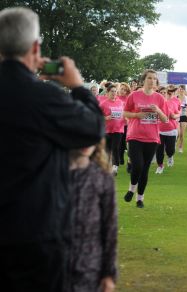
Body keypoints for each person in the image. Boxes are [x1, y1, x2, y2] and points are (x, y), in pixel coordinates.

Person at [0, 7, 104, 291]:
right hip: (36, 231)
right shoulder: (43, 97)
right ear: (35, 47)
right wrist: (78, 86)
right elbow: (93, 128)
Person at [68, 141, 117, 292]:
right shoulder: (48, 174)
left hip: (89, 267)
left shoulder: (102, 178)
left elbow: (109, 228)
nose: (86, 142)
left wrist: (109, 273)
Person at [123, 69, 168, 208]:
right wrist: (137, 115)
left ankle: (140, 199)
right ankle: (131, 189)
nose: (152, 81)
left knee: (145, 169)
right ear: (144, 80)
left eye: (154, 79)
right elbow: (125, 112)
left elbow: (165, 119)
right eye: (149, 78)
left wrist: (158, 111)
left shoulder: (160, 98)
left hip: (152, 138)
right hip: (135, 135)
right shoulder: (134, 95)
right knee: (137, 165)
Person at [99, 83, 125, 175]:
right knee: (107, 149)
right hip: (107, 130)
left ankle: (115, 167)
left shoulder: (121, 103)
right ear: (108, 92)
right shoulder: (103, 104)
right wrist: (105, 118)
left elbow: (124, 114)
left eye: (115, 91)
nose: (114, 93)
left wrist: (126, 119)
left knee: (115, 148)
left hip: (118, 129)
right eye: (112, 91)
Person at [155, 85, 181, 174]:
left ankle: (170, 156)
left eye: (164, 93)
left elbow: (178, 114)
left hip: (171, 130)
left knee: (170, 150)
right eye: (161, 93)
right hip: (159, 130)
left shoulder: (172, 103)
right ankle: (160, 166)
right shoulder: (155, 104)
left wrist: (174, 116)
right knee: (159, 150)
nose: (162, 94)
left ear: (167, 94)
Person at [177, 84, 187, 153]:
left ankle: (180, 147)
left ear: (184, 90)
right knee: (177, 133)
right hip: (177, 116)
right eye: (180, 89)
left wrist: (185, 106)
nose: (181, 90)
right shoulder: (176, 97)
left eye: (182, 89)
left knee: (182, 134)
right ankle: (174, 144)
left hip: (184, 116)